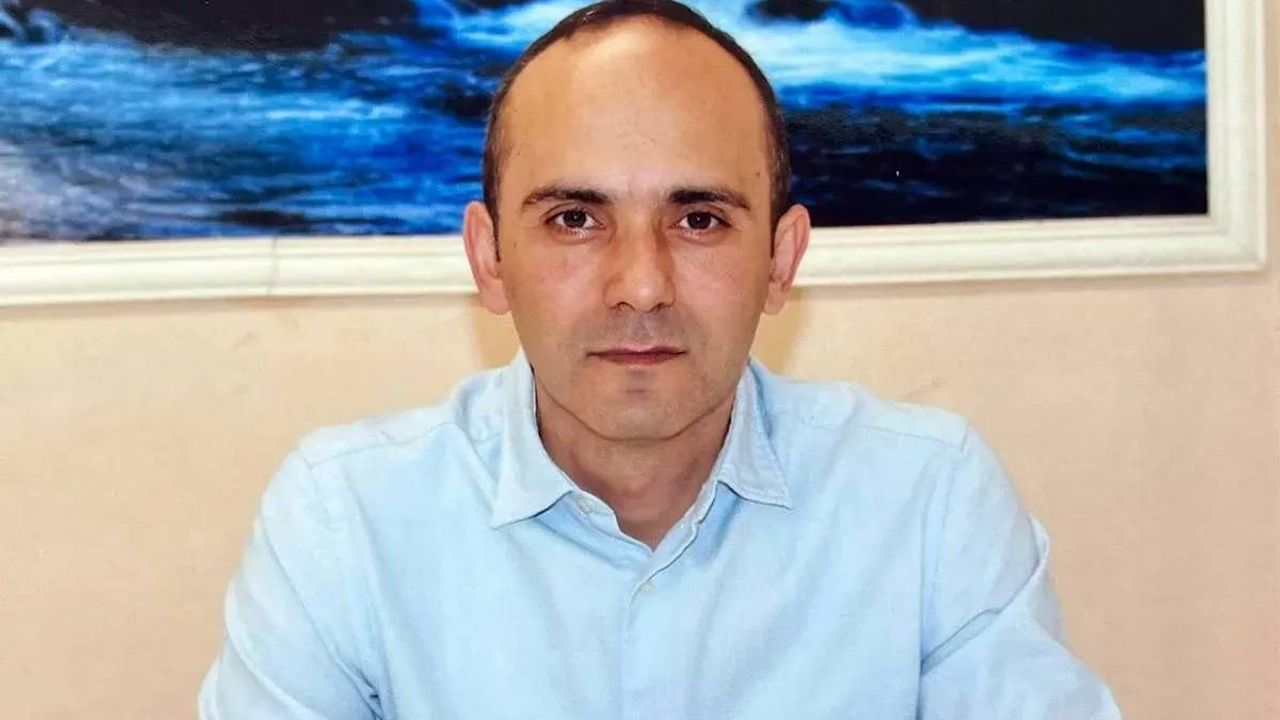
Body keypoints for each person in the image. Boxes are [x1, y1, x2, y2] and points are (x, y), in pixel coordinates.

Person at [199, 0, 1122, 717]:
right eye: (575, 218)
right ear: (489, 258)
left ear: (781, 259)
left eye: (700, 219)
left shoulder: (929, 501)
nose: (641, 285)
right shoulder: (346, 519)